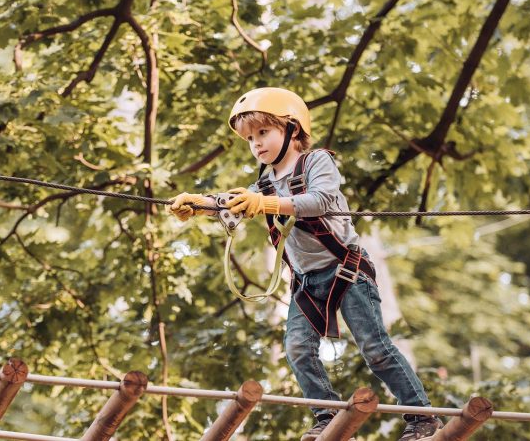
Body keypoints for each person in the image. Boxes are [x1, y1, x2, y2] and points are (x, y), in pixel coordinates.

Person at [168, 87, 443, 441]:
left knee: (374, 348)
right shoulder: (264, 184)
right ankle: (325, 416)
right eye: (250, 138)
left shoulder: (315, 162)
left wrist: (266, 204)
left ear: (292, 130)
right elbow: (233, 202)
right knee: (297, 348)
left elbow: (321, 199)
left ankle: (421, 417)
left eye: (263, 133)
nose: (256, 144)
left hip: (347, 270)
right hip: (307, 281)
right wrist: (200, 204)